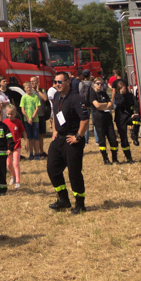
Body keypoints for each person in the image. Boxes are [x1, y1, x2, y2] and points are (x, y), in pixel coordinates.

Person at [46, 71, 89, 214]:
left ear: (68, 82)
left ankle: (80, 203)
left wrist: (78, 136)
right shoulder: (57, 96)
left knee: (74, 173)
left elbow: (85, 119)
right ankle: (63, 199)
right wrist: (55, 131)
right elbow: (56, 115)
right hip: (59, 139)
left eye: (60, 82)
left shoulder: (76, 98)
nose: (57, 84)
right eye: (56, 82)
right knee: (52, 168)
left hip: (72, 141)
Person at [88, 76, 121, 165]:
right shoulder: (92, 94)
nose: (100, 85)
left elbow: (110, 104)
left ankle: (115, 158)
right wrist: (105, 104)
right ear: (94, 85)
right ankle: (105, 159)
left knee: (113, 139)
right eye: (98, 84)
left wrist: (104, 105)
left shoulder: (104, 93)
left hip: (107, 119)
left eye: (101, 84)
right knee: (102, 140)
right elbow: (97, 106)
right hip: (99, 119)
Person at [109, 80, 136, 164]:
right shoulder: (117, 96)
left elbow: (135, 104)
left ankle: (135, 135)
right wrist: (121, 95)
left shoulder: (130, 95)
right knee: (123, 138)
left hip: (129, 117)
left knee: (137, 120)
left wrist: (136, 113)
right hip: (120, 118)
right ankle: (129, 157)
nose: (123, 89)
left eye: (123, 87)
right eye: (120, 88)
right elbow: (119, 104)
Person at [0, 101, 24, 188]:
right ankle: (13, 176)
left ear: (15, 113)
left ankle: (18, 181)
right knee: (9, 164)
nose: (10, 116)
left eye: (12, 114)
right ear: (6, 114)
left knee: (16, 163)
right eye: (8, 114)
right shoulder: (4, 122)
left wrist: (27, 141)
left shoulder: (18, 122)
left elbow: (23, 132)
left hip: (17, 145)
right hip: (8, 147)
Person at [20, 79, 43, 160]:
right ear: (24, 89)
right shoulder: (23, 97)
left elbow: (37, 108)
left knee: (36, 137)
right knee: (30, 138)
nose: (29, 89)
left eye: (30, 87)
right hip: (27, 120)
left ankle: (37, 154)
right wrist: (27, 118)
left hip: (35, 120)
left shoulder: (35, 97)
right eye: (27, 87)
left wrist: (32, 118)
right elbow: (22, 109)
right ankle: (31, 153)